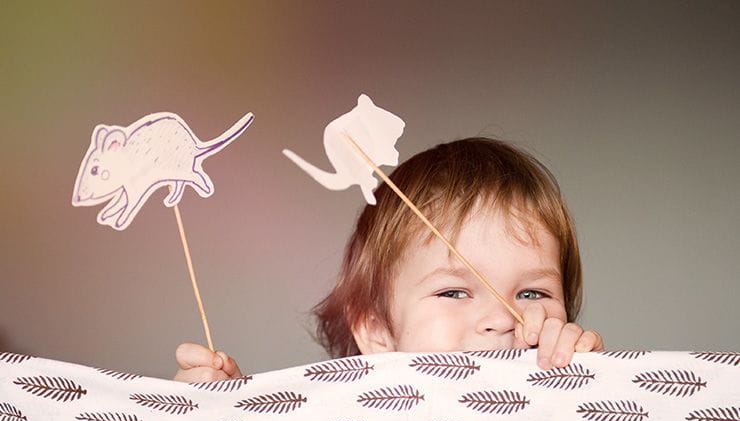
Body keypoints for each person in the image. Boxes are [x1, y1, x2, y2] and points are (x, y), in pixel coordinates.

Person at [174, 137, 603, 382]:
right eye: (454, 291)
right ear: (378, 333)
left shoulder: (576, 393)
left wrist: (601, 387)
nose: (503, 317)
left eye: (532, 292)